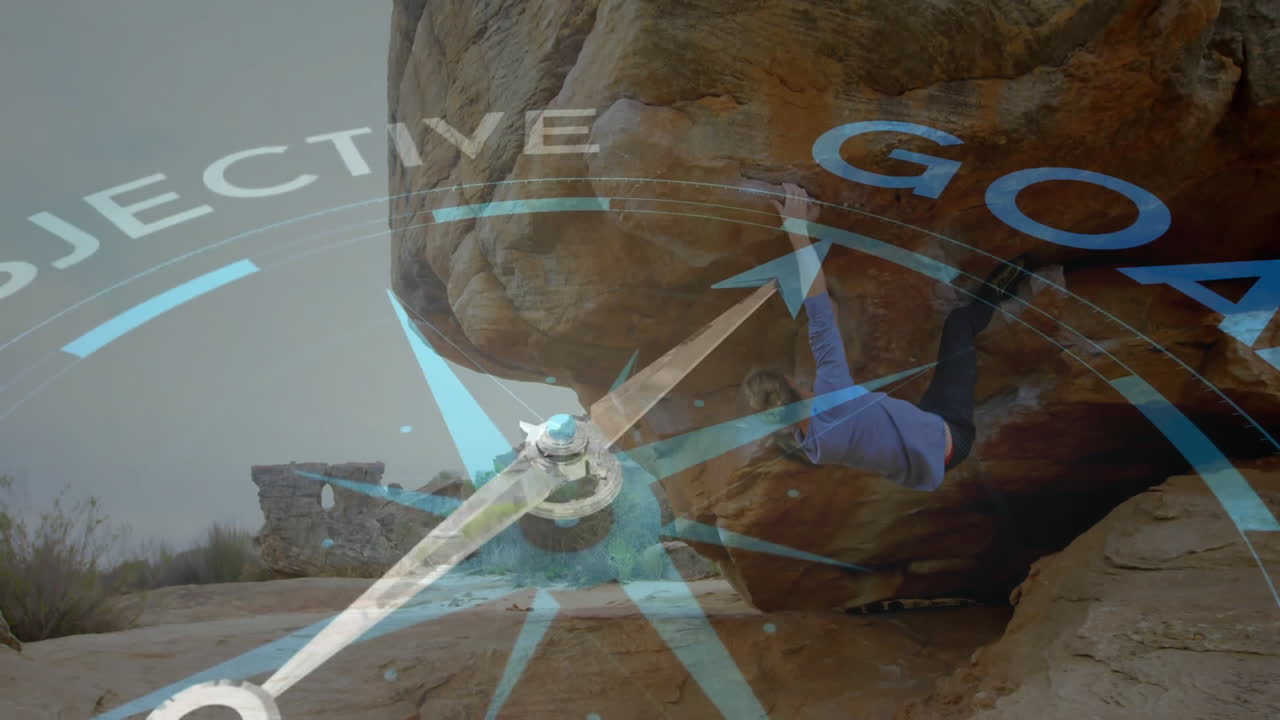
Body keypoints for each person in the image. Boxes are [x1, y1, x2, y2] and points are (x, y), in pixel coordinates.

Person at [743, 183, 1028, 492]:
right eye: (797, 382)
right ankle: (998, 293)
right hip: (951, 433)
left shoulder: (807, 445)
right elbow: (822, 312)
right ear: (793, 384)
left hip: (925, 438)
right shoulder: (833, 398)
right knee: (960, 323)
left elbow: (830, 312)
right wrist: (797, 230)